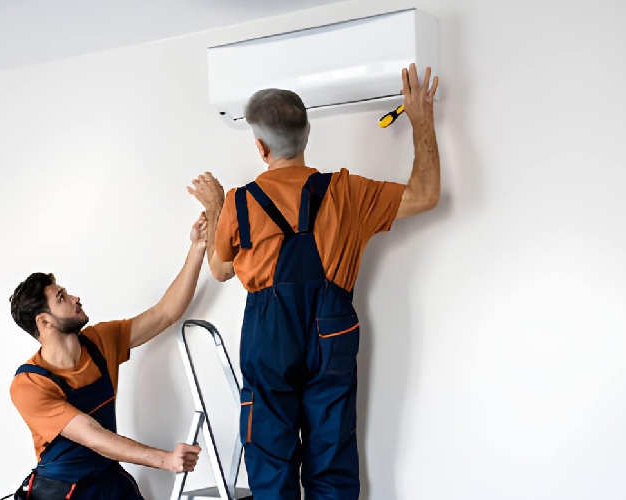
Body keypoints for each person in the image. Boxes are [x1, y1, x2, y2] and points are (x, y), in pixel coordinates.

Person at [188, 63, 440, 500]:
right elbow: (425, 194)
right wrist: (420, 121)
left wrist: (215, 207)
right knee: (332, 456)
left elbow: (220, 269)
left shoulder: (239, 203)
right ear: (307, 135)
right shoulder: (348, 192)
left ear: (260, 147)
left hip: (269, 335)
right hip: (332, 330)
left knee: (271, 459)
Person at [7, 213, 210, 499]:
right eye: (62, 297)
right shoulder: (29, 384)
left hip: (107, 481)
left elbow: (164, 313)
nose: (75, 298)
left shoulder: (100, 342)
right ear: (45, 322)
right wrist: (164, 460)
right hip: (63, 492)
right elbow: (92, 435)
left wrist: (198, 247)